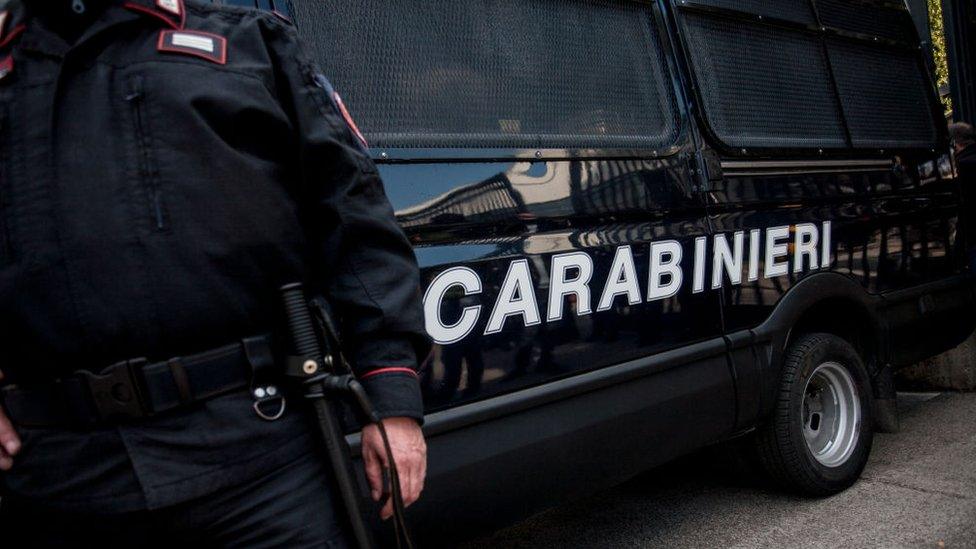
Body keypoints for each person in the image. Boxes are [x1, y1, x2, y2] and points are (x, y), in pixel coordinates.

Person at [0, 0, 429, 546]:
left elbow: (355, 222)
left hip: (260, 462)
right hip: (63, 477)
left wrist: (390, 400)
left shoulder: (248, 42)